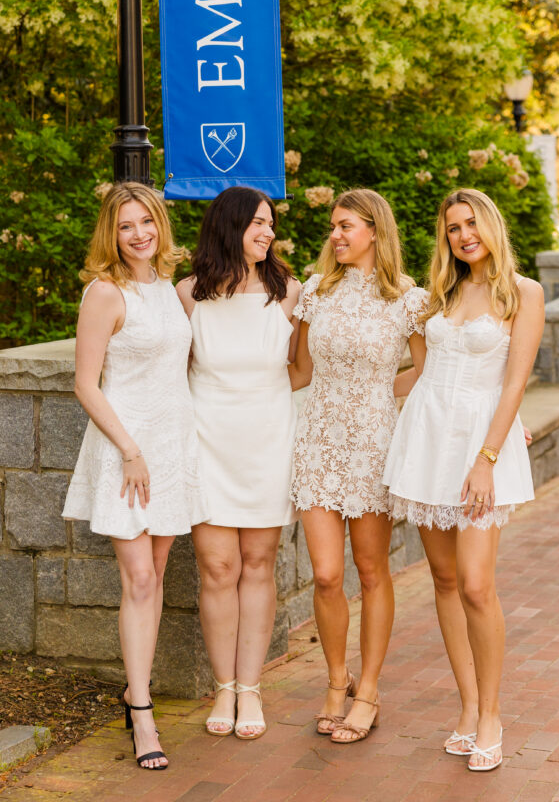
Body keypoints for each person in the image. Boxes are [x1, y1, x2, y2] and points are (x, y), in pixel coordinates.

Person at [383, 188, 544, 772]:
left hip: (481, 445)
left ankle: (494, 714)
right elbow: (418, 372)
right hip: (428, 440)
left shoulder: (523, 294)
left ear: (491, 227)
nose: (463, 234)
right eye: (453, 228)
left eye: (472, 223)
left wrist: (489, 457)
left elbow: (514, 383)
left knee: (477, 584)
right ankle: (469, 707)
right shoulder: (434, 296)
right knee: (446, 580)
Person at [62, 182, 209, 771]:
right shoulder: (105, 293)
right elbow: (84, 383)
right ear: (111, 233)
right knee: (140, 579)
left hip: (172, 447)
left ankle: (134, 690)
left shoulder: (174, 292)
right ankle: (142, 712)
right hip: (127, 451)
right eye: (126, 226)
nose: (139, 234)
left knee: (157, 576)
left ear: (160, 226)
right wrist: (128, 449)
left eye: (146, 221)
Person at [288, 188, 427, 744]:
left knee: (371, 572)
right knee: (325, 574)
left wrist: (375, 393)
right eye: (333, 227)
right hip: (318, 441)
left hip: (373, 444)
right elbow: (296, 371)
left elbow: (426, 369)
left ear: (375, 230)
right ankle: (335, 680)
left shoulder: (408, 299)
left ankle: (367, 689)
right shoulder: (314, 292)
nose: (336, 236)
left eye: (347, 226)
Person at [176, 186, 300, 741]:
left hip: (268, 440)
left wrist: (263, 401)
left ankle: (250, 690)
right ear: (228, 227)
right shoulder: (187, 295)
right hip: (208, 441)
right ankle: (223, 686)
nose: (268, 232)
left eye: (270, 223)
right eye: (256, 223)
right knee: (218, 568)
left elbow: (302, 370)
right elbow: (174, 372)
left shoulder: (288, 292)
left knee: (258, 562)